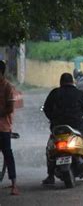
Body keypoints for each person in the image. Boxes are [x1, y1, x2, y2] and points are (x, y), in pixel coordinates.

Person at [41, 73, 83, 185]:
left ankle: (50, 175)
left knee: (50, 146)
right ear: (72, 82)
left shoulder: (55, 93)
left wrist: (53, 119)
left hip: (58, 127)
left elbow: (46, 108)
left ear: (61, 82)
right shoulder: (78, 93)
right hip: (76, 125)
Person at [0, 61, 19, 195]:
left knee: (7, 154)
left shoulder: (8, 87)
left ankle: (14, 184)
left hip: (3, 127)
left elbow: (10, 108)